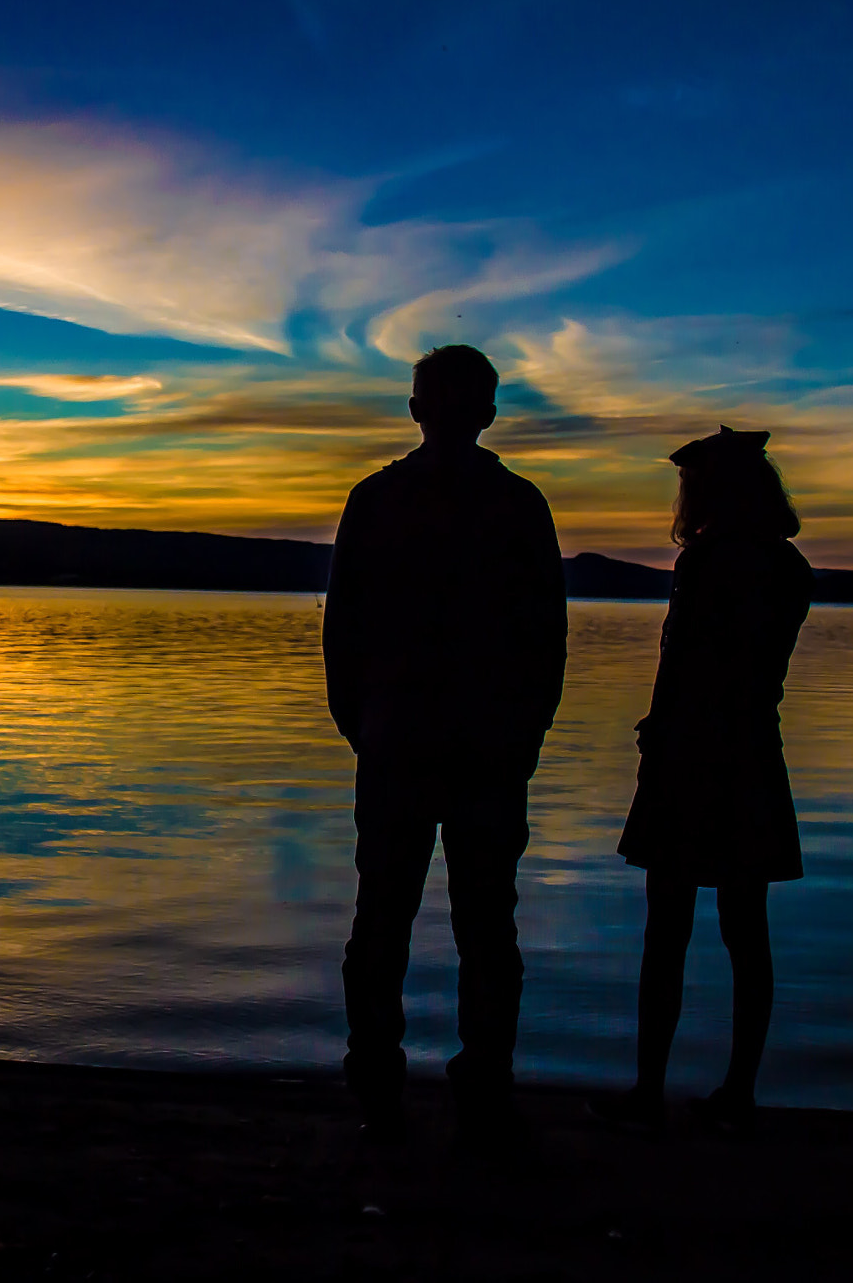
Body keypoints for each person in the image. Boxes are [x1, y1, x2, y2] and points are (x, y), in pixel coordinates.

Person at [323, 344, 568, 1149]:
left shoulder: (378, 498)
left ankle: (381, 1089)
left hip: (414, 745)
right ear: (489, 412)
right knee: (484, 928)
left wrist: (366, 726)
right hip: (473, 749)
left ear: (416, 408)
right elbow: (547, 640)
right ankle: (480, 1091)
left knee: (389, 920)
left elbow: (342, 635)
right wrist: (525, 732)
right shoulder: (519, 504)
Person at [590, 426, 812, 1137]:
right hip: (751, 751)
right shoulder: (787, 567)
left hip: (693, 756)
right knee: (747, 933)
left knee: (670, 931)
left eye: (690, 484)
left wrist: (660, 730)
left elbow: (686, 662)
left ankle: (650, 1088)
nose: (682, 497)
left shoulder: (712, 562)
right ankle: (738, 1090)